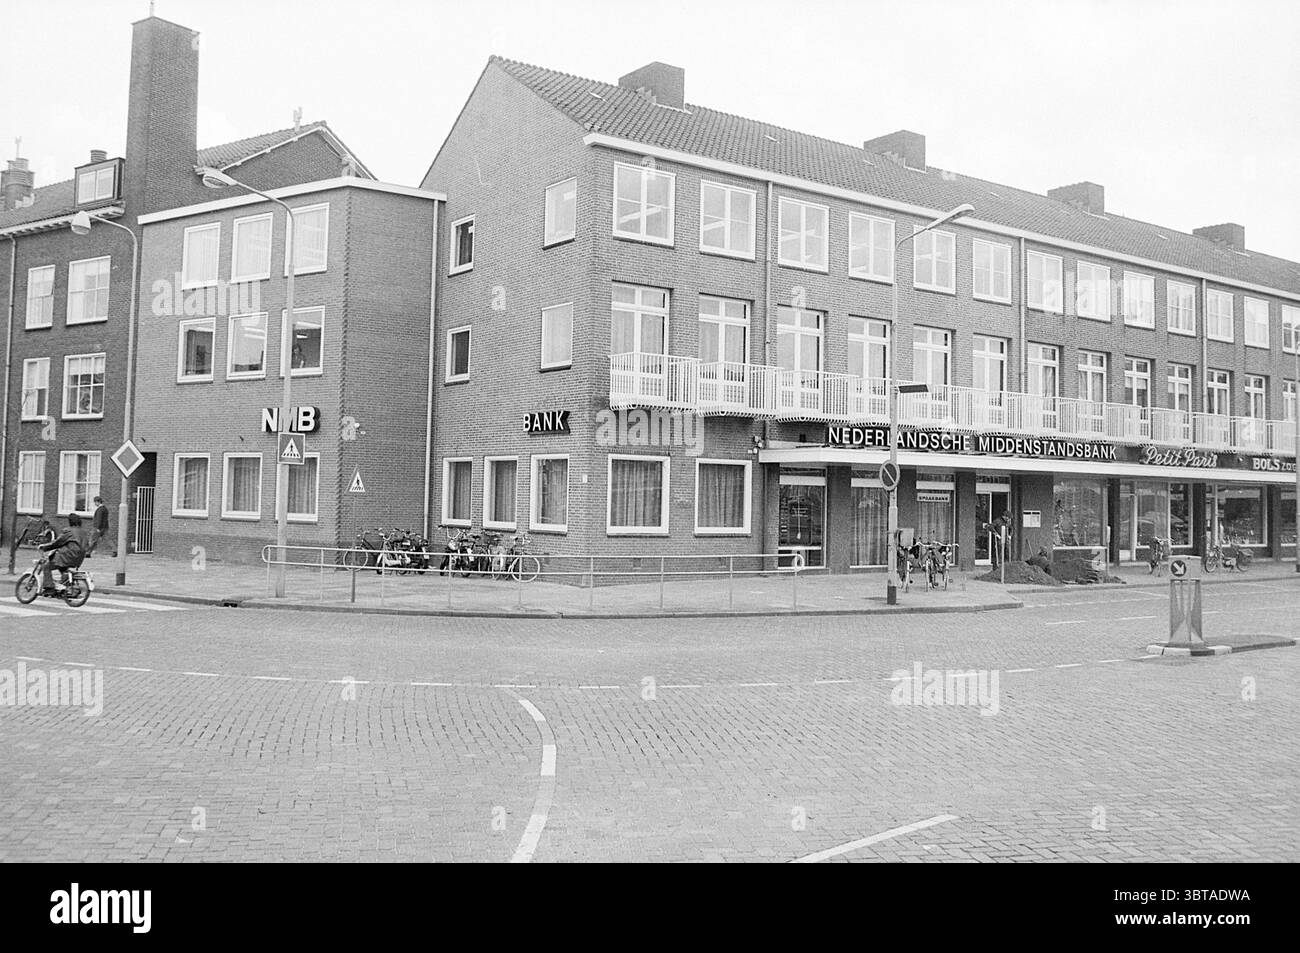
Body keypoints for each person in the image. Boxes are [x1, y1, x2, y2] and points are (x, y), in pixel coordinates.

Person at [39, 514, 89, 594]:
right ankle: (64, 586)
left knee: (46, 565)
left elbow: (57, 542)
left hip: (67, 556)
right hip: (78, 559)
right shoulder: (83, 532)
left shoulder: (68, 531)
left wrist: (44, 547)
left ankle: (49, 588)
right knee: (63, 568)